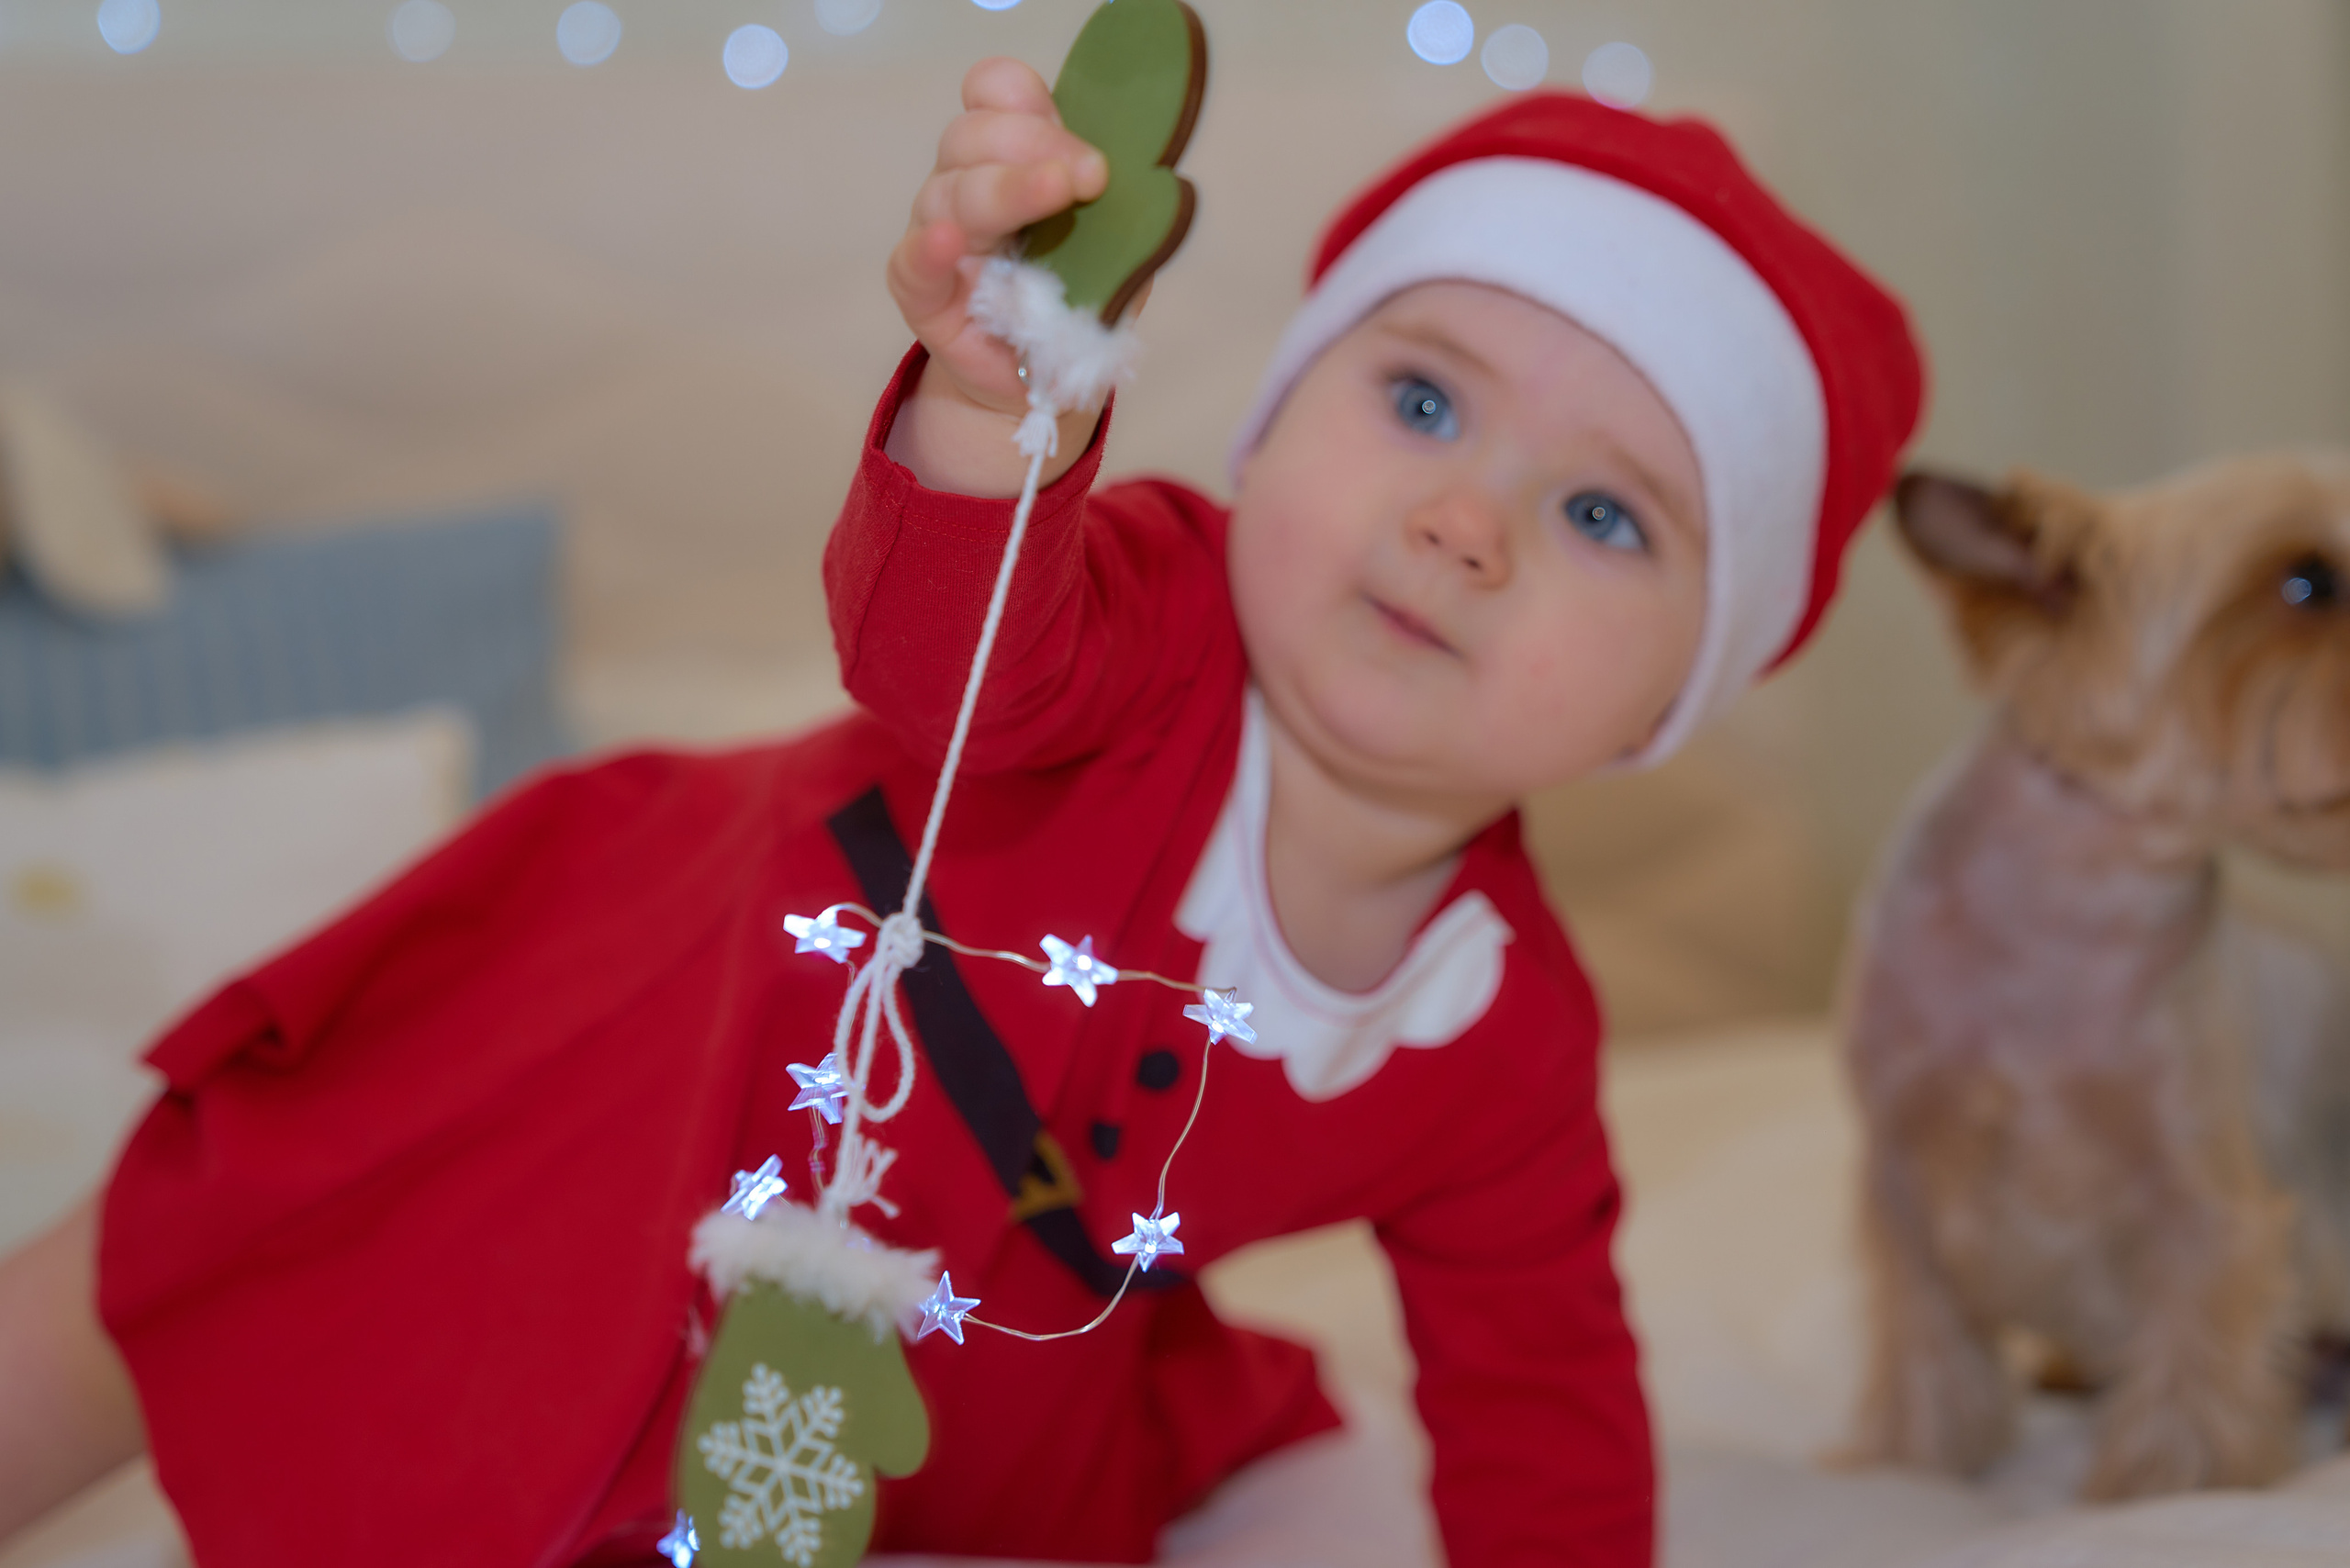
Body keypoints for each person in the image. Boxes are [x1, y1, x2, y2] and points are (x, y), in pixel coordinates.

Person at [0, 60, 1922, 1568]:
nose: (1464, 521)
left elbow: (1541, 1396)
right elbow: (951, 655)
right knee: (202, 1244)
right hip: (644, 1020)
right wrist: (991, 403)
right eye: (1420, 402)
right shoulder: (1155, 612)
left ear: (1681, 690)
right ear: (1269, 421)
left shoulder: (1496, 1039)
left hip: (949, 1307)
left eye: (1605, 516)